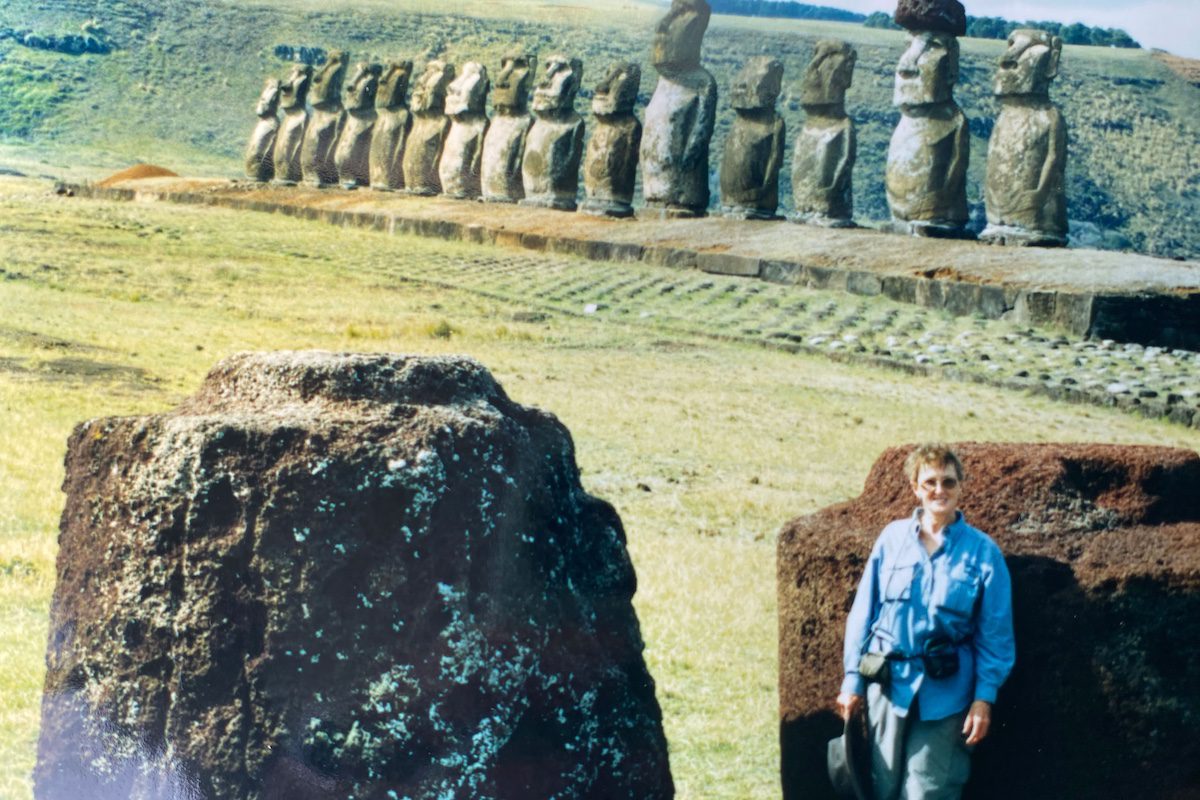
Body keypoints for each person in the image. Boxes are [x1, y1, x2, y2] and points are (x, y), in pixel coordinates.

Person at [836, 443, 1015, 799]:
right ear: (915, 488)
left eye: (948, 482)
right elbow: (862, 612)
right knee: (882, 787)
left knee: (926, 792)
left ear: (961, 487)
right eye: (930, 482)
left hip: (948, 693)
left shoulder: (984, 553)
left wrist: (984, 698)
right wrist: (852, 680)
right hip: (889, 687)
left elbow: (995, 635)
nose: (939, 490)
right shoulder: (891, 539)